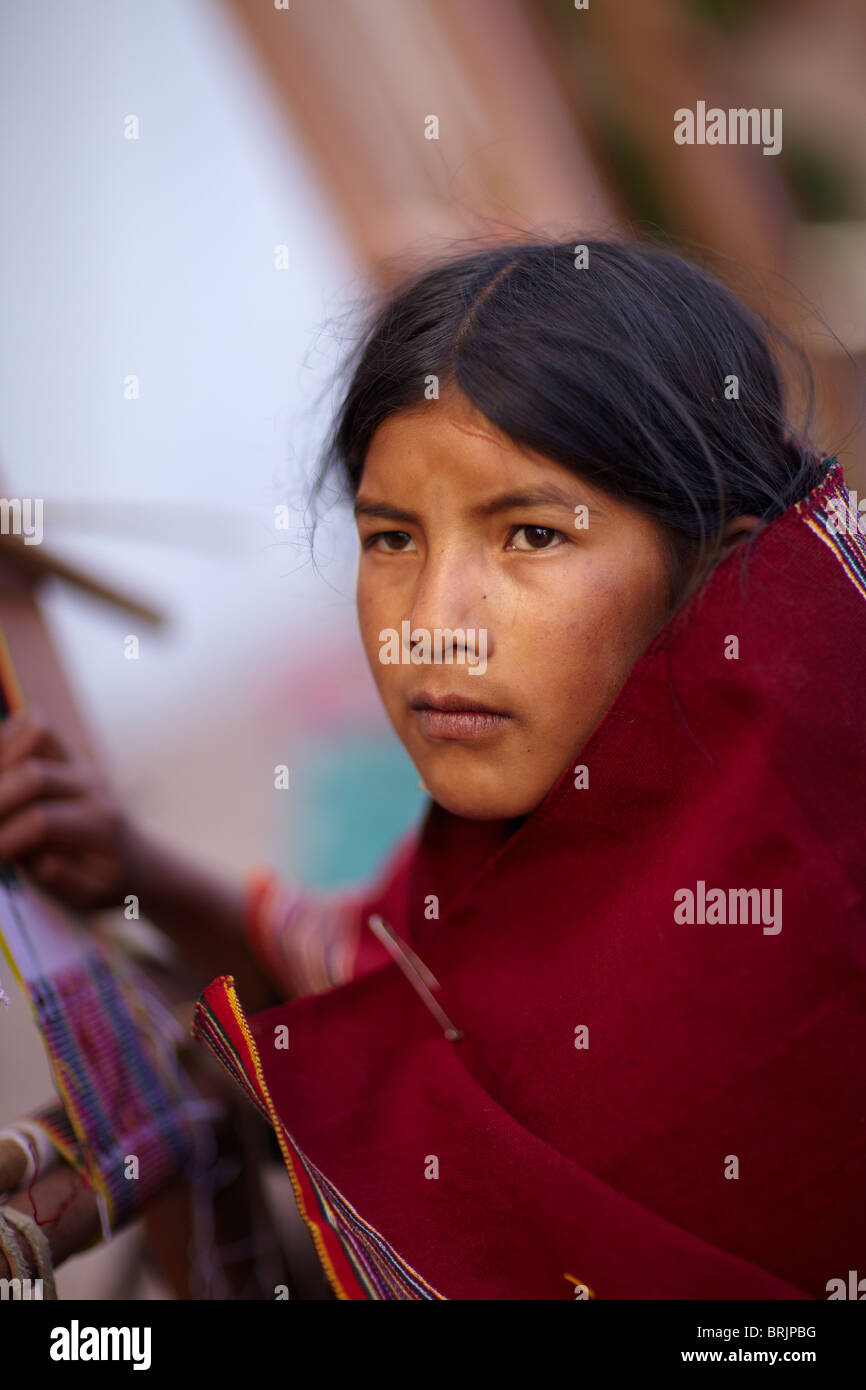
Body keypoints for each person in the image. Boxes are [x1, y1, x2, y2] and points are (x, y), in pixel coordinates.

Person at [1, 237, 864, 1300]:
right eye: (392, 538)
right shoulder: (519, 840)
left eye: (532, 534)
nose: (430, 630)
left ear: (717, 564)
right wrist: (133, 866)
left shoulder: (811, 900)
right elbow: (382, 988)